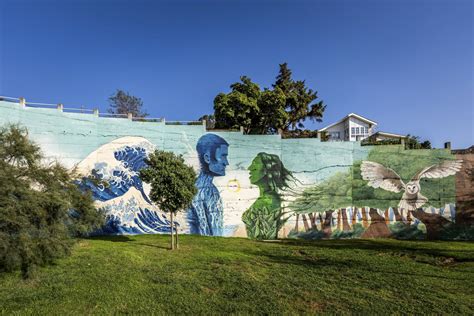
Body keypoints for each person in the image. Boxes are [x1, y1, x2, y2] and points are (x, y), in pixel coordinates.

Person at [188, 134, 229, 236]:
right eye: (223, 156)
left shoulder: (193, 187)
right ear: (207, 158)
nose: (226, 163)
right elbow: (217, 234)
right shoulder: (211, 192)